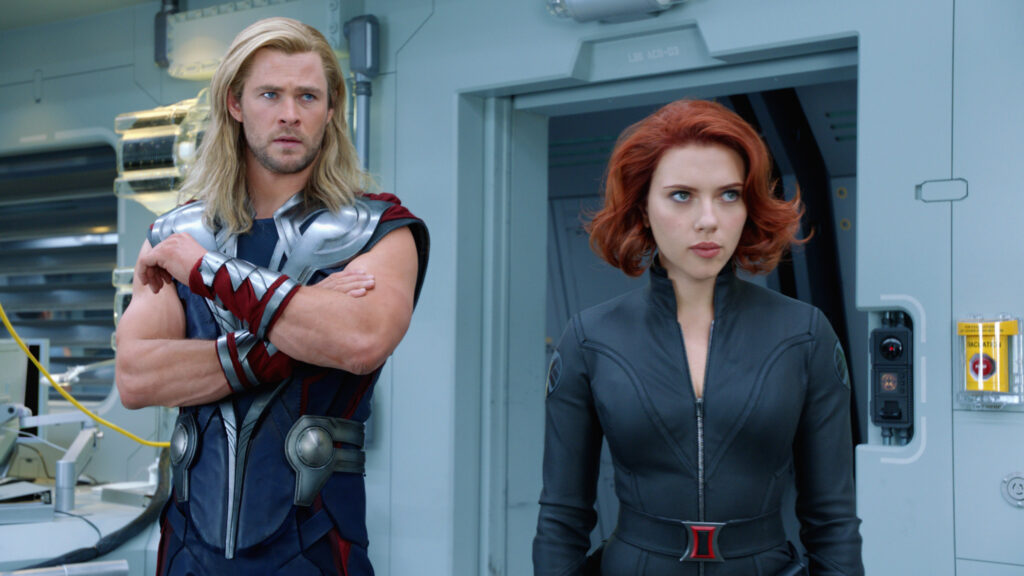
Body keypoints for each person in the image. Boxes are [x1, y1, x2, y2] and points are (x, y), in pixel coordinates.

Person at [115, 17, 428, 575]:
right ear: (235, 104)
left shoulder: (379, 228)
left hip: (316, 548)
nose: (290, 114)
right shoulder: (175, 233)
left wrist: (205, 270)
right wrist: (304, 324)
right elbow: (139, 378)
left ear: (330, 110)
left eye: (308, 96)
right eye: (270, 95)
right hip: (187, 551)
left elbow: (358, 342)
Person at [533, 99, 862, 575]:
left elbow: (832, 519)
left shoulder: (804, 334)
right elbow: (562, 517)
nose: (709, 219)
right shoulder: (589, 339)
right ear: (643, 208)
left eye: (728, 195)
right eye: (682, 195)